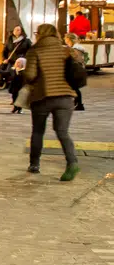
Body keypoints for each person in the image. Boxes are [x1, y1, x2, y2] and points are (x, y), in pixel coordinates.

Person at [21, 23, 79, 180]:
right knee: (62, 132)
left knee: (38, 131)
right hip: (66, 97)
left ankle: (34, 164)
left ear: (40, 34)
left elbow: (30, 75)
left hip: (42, 97)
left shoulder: (35, 50)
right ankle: (72, 162)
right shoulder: (66, 50)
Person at [2, 25, 31, 113]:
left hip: (22, 63)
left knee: (20, 84)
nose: (17, 31)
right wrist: (4, 59)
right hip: (12, 63)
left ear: (21, 31)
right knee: (13, 83)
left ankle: (19, 105)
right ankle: (15, 102)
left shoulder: (26, 41)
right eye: (15, 30)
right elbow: (5, 51)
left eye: (18, 30)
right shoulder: (9, 40)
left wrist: (26, 60)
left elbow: (30, 51)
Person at [65, 31, 87, 111]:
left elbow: (76, 59)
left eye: (66, 39)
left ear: (70, 39)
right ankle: (77, 103)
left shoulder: (75, 49)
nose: (65, 40)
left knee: (74, 88)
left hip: (75, 70)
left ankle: (79, 104)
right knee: (74, 88)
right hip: (77, 70)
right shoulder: (76, 48)